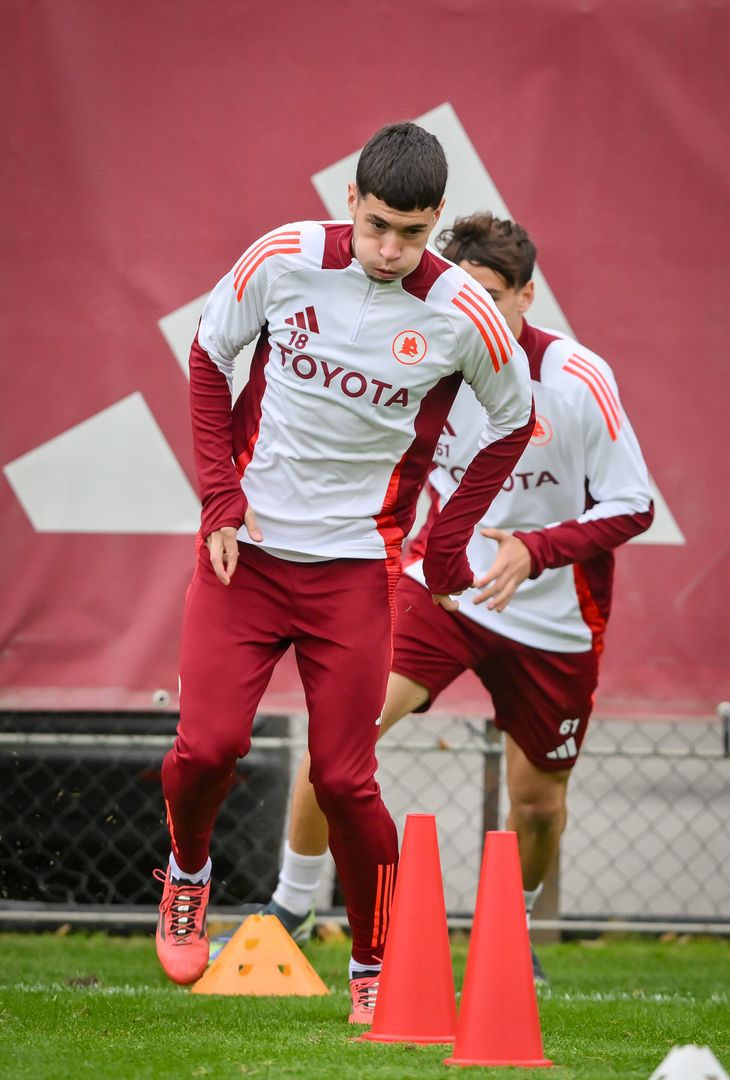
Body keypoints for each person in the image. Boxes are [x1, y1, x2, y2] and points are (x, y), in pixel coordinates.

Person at [155, 127, 535, 1022]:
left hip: (356, 572)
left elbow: (512, 422)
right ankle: (186, 873)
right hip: (243, 557)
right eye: (375, 227)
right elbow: (209, 358)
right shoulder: (283, 258)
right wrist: (219, 500)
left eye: (410, 232)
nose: (390, 250)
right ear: (351, 201)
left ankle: (377, 966)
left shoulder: (462, 313)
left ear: (435, 220)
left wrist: (444, 550)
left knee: (343, 779)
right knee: (206, 749)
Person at [263, 212, 655, 981]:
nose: (471, 309)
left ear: (528, 297)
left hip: (554, 620)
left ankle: (508, 937)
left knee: (539, 805)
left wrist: (535, 549)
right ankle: (290, 912)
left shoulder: (576, 380)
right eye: (457, 291)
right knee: (340, 737)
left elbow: (631, 503)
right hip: (439, 596)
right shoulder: (418, 361)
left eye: (491, 294)